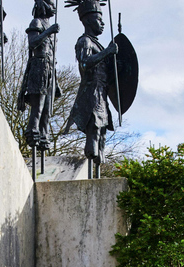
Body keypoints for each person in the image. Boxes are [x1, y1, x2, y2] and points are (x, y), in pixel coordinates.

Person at [66, 0, 117, 177]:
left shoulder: (99, 44)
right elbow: (85, 62)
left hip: (102, 93)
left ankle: (98, 170)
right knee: (94, 130)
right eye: (98, 20)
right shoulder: (85, 41)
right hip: (91, 92)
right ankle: (91, 168)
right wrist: (107, 52)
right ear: (88, 21)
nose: (102, 24)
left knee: (102, 133)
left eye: (102, 20)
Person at [18, 0, 61, 150]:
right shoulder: (36, 22)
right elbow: (32, 43)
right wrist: (49, 32)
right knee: (38, 106)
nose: (54, 6)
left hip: (50, 69)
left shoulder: (50, 26)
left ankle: (44, 137)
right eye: (50, 3)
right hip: (39, 66)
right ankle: (33, 134)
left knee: (47, 110)